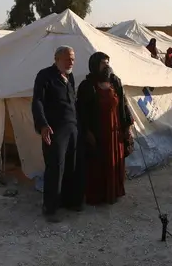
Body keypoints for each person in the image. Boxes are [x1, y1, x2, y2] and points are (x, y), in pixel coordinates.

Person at [31, 46, 83, 222]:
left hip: (72, 127)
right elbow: (37, 101)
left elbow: (73, 102)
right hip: (55, 128)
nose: (71, 62)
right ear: (57, 59)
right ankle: (50, 207)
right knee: (55, 167)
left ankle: (69, 201)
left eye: (73, 59)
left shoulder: (70, 77)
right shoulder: (45, 75)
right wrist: (43, 124)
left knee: (72, 165)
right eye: (68, 59)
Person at [76, 52, 134, 206]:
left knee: (114, 161)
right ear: (95, 65)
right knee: (97, 164)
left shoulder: (115, 82)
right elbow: (81, 112)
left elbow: (123, 105)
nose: (106, 65)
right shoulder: (87, 85)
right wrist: (87, 132)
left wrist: (127, 126)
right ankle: (98, 196)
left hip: (115, 132)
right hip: (98, 132)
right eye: (103, 63)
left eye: (108, 62)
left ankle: (113, 192)